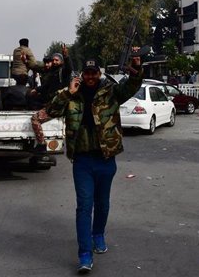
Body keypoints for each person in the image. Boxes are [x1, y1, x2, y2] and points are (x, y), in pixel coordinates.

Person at [35, 54, 143, 273]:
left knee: (102, 203)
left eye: (94, 73)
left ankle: (98, 235)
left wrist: (135, 67)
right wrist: (68, 92)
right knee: (84, 206)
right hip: (82, 161)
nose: (91, 77)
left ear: (99, 74)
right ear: (83, 75)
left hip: (105, 159)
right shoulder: (72, 96)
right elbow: (52, 109)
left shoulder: (110, 92)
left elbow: (131, 86)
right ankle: (84, 254)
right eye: (88, 74)